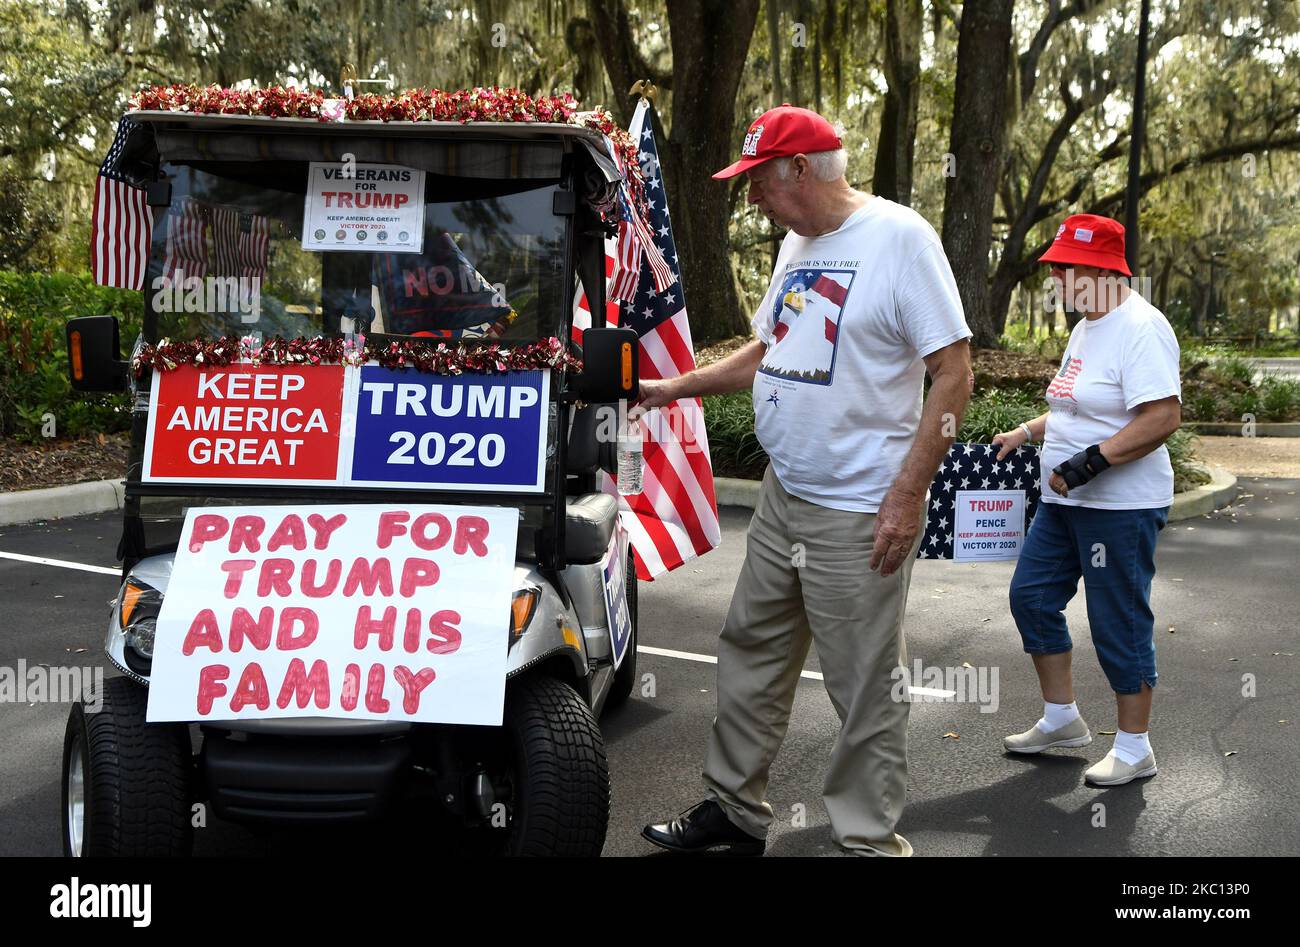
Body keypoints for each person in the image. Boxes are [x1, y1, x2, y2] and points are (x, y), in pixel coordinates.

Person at [638, 105, 972, 856]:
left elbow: (954, 372)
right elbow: (768, 349)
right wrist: (675, 388)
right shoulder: (799, 241)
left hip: (859, 509)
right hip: (786, 497)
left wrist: (907, 494)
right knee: (750, 646)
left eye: (758, 179)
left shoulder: (900, 239)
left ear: (798, 170)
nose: (751, 195)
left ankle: (863, 839)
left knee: (863, 687)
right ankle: (734, 812)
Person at [992, 213, 1181, 786]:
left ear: (1101, 269)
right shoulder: (1086, 328)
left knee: (1117, 622)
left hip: (1119, 508)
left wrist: (1088, 464)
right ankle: (1061, 718)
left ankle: (1134, 747)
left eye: (1065, 269)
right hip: (1066, 505)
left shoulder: (1141, 327)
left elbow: (1162, 416)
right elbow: (1076, 406)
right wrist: (1026, 432)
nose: (1056, 280)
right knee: (1032, 597)